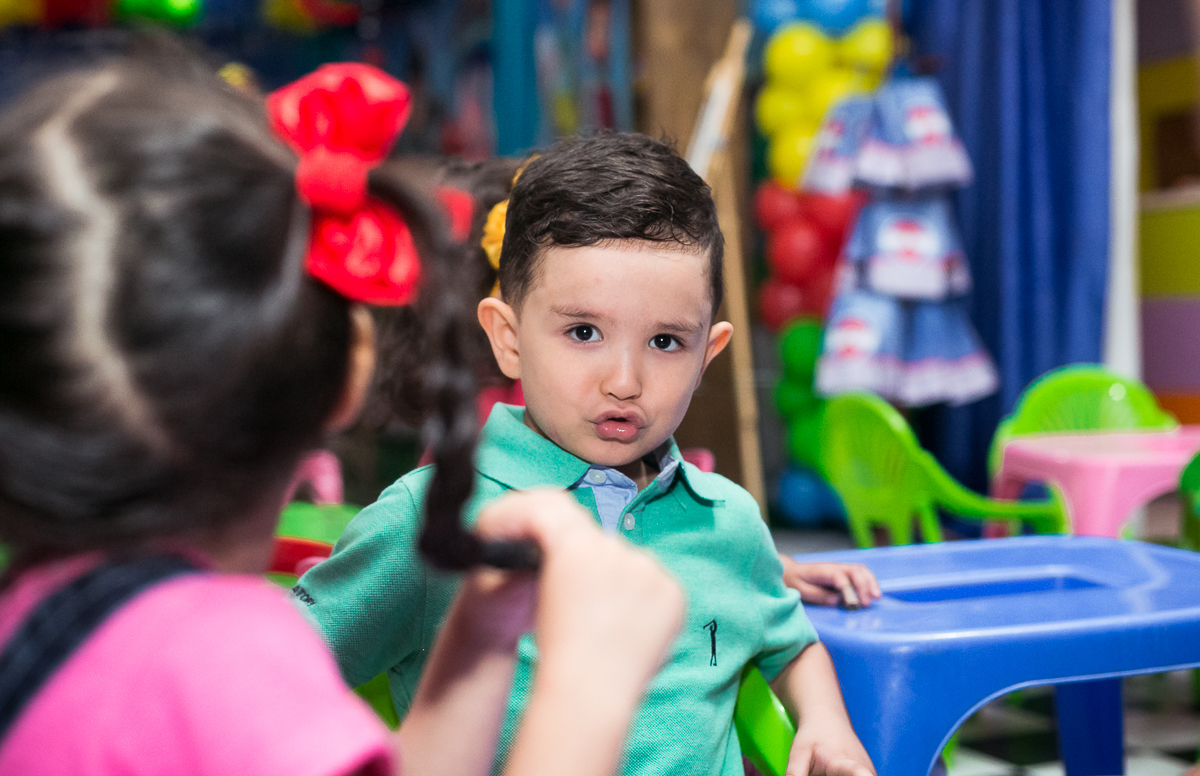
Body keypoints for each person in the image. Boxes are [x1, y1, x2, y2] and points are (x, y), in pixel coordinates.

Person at [0, 40, 685, 776]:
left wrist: (478, 641)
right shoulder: (223, 659)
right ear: (348, 368)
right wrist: (590, 686)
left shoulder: (43, 608)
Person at [295, 132, 877, 776]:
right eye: (584, 332)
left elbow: (789, 643)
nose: (624, 380)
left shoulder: (728, 521)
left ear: (707, 355)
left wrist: (828, 724)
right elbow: (279, 673)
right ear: (508, 339)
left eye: (664, 342)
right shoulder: (429, 520)